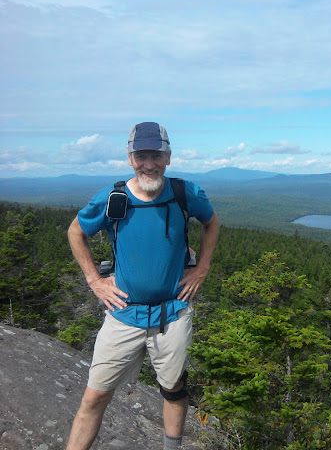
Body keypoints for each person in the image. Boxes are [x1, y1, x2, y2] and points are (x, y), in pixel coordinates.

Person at [66, 122, 220, 450]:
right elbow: (75, 232)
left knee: (174, 390)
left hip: (172, 311)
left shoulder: (185, 193)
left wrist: (202, 268)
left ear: (168, 157)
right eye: (141, 156)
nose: (149, 164)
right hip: (123, 312)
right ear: (130, 158)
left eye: (156, 156)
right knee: (94, 396)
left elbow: (211, 222)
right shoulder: (113, 198)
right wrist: (95, 281)